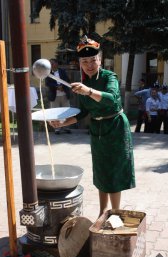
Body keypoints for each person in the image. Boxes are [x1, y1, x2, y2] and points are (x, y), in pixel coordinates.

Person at [50, 36, 135, 217]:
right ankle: (102, 211)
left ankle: (115, 212)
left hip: (115, 128)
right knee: (101, 171)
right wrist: (62, 123)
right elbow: (82, 113)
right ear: (80, 63)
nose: (89, 65)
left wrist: (88, 91)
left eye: (93, 60)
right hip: (97, 130)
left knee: (113, 172)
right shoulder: (83, 84)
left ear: (100, 59)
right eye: (84, 61)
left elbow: (111, 98)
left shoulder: (109, 76)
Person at [45, 58, 71, 134]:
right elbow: (47, 83)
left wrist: (62, 87)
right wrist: (56, 86)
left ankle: (66, 127)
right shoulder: (48, 73)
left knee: (66, 111)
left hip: (64, 95)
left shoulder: (62, 71)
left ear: (56, 64)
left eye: (52, 63)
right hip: (54, 95)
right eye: (50, 64)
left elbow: (67, 80)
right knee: (55, 112)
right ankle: (57, 128)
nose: (51, 65)